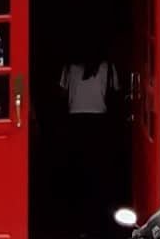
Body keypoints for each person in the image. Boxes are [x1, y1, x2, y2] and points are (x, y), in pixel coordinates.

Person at [60, 39, 121, 238]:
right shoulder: (107, 68)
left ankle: (80, 225)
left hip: (76, 122)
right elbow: (114, 96)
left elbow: (62, 95)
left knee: (78, 175)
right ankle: (99, 223)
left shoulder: (70, 69)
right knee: (99, 175)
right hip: (98, 124)